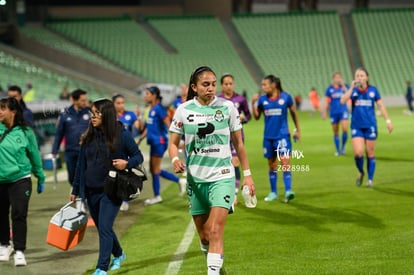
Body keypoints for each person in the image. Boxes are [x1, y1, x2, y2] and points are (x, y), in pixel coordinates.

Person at [168, 66, 255, 275]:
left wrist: (248, 175)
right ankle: (218, 269)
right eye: (205, 84)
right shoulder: (184, 110)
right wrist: (174, 159)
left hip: (222, 177)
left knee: (216, 231)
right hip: (195, 180)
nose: (211, 88)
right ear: (194, 87)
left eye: (213, 84)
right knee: (205, 237)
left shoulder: (228, 108)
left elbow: (239, 145)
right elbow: (173, 143)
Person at [69, 99, 144, 275]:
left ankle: (102, 267)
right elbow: (81, 164)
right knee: (104, 228)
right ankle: (118, 254)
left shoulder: (122, 134)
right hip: (90, 190)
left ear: (107, 115)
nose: (92, 117)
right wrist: (76, 189)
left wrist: (126, 163)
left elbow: (138, 156)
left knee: (103, 227)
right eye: (92, 113)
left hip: (112, 190)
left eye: (97, 113)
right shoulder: (89, 134)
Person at [0, 97, 45, 266]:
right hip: (0, 181)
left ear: (13, 111)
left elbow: (34, 154)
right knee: (1, 214)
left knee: (19, 214)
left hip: (20, 179)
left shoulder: (26, 132)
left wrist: (40, 176)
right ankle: (5, 245)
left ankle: (19, 250)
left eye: (3, 108)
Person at [341, 67, 393, 188]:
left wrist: (388, 121)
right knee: (358, 153)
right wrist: (351, 88)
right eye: (357, 75)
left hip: (370, 126)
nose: (359, 78)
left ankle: (370, 180)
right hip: (357, 127)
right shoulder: (353, 91)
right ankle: (361, 171)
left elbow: (381, 106)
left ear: (367, 77)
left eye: (362, 75)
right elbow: (343, 101)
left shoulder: (373, 90)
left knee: (370, 153)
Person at [251, 75, 300, 202]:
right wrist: (252, 103)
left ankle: (288, 191)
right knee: (272, 165)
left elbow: (294, 113)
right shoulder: (262, 100)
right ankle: (273, 192)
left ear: (273, 85)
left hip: (282, 136)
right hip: (268, 137)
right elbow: (256, 117)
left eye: (265, 85)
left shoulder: (286, 97)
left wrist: (297, 130)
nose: (263, 87)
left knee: (285, 163)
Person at [141, 86, 186, 206]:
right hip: (153, 142)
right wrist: (140, 139)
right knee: (154, 169)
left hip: (159, 142)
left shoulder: (160, 109)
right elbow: (148, 127)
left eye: (147, 94)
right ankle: (180, 181)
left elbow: (169, 125)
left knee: (155, 170)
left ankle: (157, 196)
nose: (145, 96)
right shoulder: (151, 108)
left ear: (154, 95)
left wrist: (177, 140)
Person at [217, 73, 251, 205]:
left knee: (235, 162)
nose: (228, 86)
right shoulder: (217, 99)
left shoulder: (240, 99)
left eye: (230, 83)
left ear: (234, 84)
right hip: (221, 137)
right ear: (222, 85)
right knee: (225, 164)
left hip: (236, 136)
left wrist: (243, 119)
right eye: (226, 84)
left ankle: (234, 195)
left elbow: (248, 115)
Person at [52, 89, 90, 187]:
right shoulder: (64, 113)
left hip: (87, 150)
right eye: (82, 100)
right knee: (72, 176)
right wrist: (55, 150)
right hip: (70, 150)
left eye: (86, 100)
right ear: (74, 100)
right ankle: (76, 193)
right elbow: (59, 133)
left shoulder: (90, 112)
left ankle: (83, 197)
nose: (85, 102)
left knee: (87, 174)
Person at [112, 93, 140, 211]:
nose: (121, 105)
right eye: (118, 103)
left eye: (123, 103)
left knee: (125, 173)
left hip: (127, 147)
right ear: (113, 104)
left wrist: (138, 123)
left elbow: (138, 128)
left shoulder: (130, 115)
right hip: (113, 147)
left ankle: (125, 199)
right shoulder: (110, 116)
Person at [323, 71, 349, 156]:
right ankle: (338, 150)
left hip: (343, 110)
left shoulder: (344, 87)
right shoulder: (329, 89)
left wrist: (343, 85)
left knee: (345, 129)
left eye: (339, 77)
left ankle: (343, 147)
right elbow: (326, 101)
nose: (338, 79)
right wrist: (324, 112)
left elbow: (349, 94)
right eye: (336, 77)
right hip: (333, 112)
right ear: (333, 79)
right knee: (336, 131)